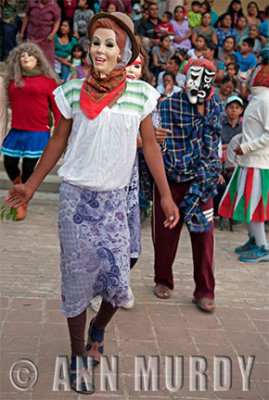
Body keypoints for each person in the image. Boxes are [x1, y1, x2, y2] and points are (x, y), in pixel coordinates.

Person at [5, 13, 179, 393]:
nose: (99, 50)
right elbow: (57, 142)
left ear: (124, 52)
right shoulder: (70, 92)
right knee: (78, 281)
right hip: (75, 203)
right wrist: (31, 186)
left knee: (118, 282)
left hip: (115, 202)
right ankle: (77, 352)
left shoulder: (141, 95)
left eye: (109, 44)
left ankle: (99, 328)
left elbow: (149, 146)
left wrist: (166, 195)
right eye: (95, 42)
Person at [152, 58, 222, 312]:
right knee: (165, 234)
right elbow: (156, 144)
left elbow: (212, 143)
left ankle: (204, 291)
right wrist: (162, 188)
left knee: (204, 237)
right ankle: (163, 279)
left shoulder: (216, 105)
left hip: (202, 180)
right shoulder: (169, 105)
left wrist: (212, 168)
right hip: (171, 178)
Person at [1, 41, 60, 220]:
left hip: (38, 131)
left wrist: (58, 128)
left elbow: (57, 108)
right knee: (9, 163)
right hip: (17, 130)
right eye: (22, 55)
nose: (26, 58)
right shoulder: (12, 80)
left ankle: (22, 203)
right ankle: (20, 187)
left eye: (30, 55)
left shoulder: (48, 80)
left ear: (38, 59)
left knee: (28, 167)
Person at [218, 64, 269, 263]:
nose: (245, 79)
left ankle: (263, 246)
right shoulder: (257, 99)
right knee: (244, 203)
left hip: (258, 163)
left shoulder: (265, 101)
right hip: (248, 161)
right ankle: (254, 239)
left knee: (254, 206)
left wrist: (246, 148)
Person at [19, 0, 61, 67]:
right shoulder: (32, 3)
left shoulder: (54, 6)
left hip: (47, 38)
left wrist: (52, 33)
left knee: (47, 59)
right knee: (31, 56)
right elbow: (27, 17)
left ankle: (47, 76)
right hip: (32, 35)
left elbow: (57, 21)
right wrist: (22, 32)